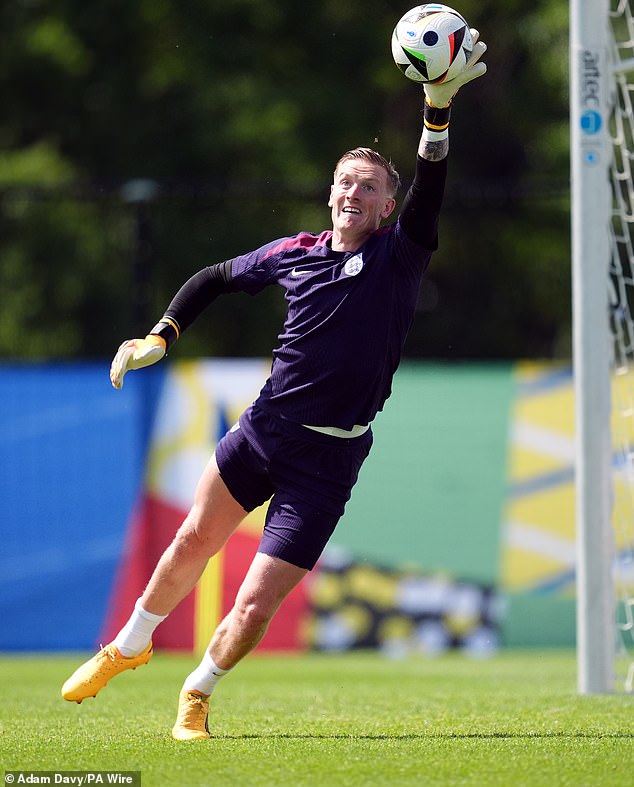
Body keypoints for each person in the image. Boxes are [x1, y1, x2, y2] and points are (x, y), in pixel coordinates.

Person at [62, 33, 487, 740]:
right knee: (192, 540)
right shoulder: (293, 253)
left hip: (330, 459)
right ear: (330, 193)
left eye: (371, 187)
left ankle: (197, 692)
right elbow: (212, 280)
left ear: (388, 207)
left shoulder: (399, 257)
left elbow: (431, 187)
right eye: (346, 181)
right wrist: (158, 336)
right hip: (265, 430)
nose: (355, 191)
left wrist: (435, 113)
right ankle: (126, 647)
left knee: (255, 604)